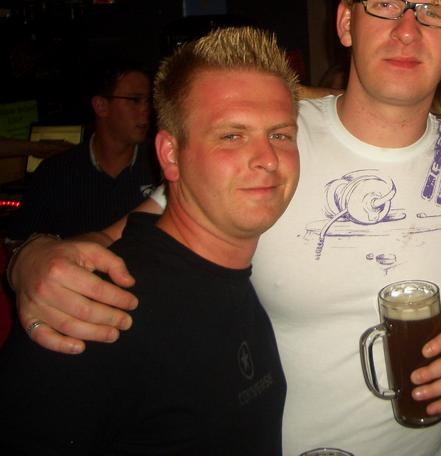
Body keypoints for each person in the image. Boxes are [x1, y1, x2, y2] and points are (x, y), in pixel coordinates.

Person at [8, 0, 441, 456]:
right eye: (383, 4)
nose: (407, 30)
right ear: (345, 22)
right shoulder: (273, 141)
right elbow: (135, 240)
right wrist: (30, 256)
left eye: (433, 11)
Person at [0, 26, 298, 454]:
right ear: (170, 156)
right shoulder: (93, 309)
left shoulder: (233, 281)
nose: (268, 159)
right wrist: (25, 256)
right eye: (232, 136)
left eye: (280, 135)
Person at [7, 61, 159, 239]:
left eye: (149, 101)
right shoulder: (56, 173)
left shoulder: (162, 166)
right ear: (101, 106)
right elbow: (21, 242)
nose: (146, 110)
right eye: (135, 100)